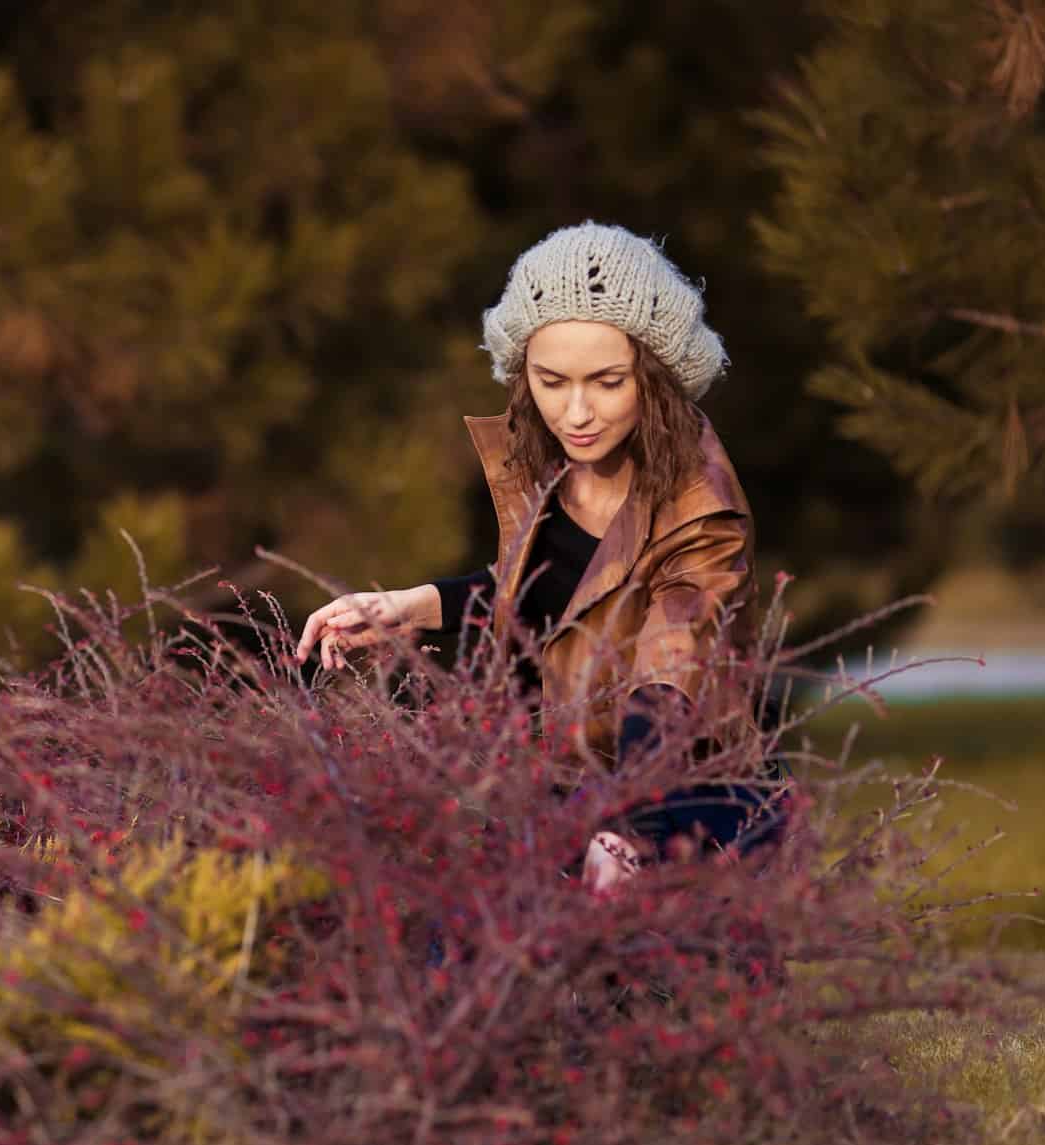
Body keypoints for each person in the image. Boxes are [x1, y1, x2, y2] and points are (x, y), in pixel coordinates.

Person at [291, 221, 785, 893]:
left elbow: (670, 673)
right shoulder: (551, 467)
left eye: (608, 382)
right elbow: (545, 592)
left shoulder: (702, 509)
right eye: (552, 381)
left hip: (682, 806)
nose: (576, 411)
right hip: (556, 792)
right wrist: (406, 607)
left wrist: (621, 830)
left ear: (656, 377)